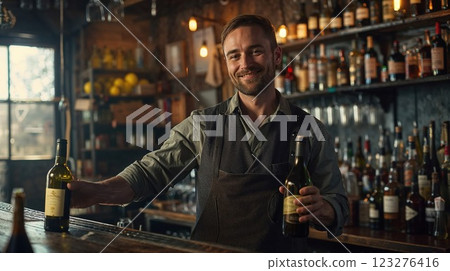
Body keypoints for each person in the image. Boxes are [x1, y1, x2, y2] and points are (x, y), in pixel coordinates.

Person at [68, 14, 348, 252]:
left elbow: (339, 205)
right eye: (234, 55)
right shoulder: (202, 124)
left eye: (256, 51)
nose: (245, 63)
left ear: (276, 56)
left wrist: (325, 209)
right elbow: (149, 173)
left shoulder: (309, 128)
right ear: (227, 63)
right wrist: (95, 192)